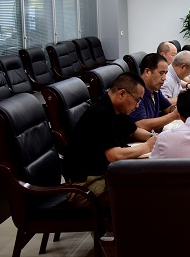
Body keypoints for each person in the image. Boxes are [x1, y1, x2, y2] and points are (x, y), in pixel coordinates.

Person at [65, 72, 156, 208]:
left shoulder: (117, 109)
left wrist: (155, 138)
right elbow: (114, 156)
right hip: (83, 186)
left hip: (101, 175)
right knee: (143, 191)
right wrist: (147, 146)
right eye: (137, 100)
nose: (137, 105)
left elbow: (134, 132)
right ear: (122, 93)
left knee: (148, 180)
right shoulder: (100, 113)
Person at [129, 53, 180, 132]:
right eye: (161, 73)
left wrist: (182, 108)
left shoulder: (155, 89)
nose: (164, 78)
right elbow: (141, 125)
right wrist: (173, 116)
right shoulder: (135, 92)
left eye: (165, 73)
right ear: (147, 72)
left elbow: (168, 108)